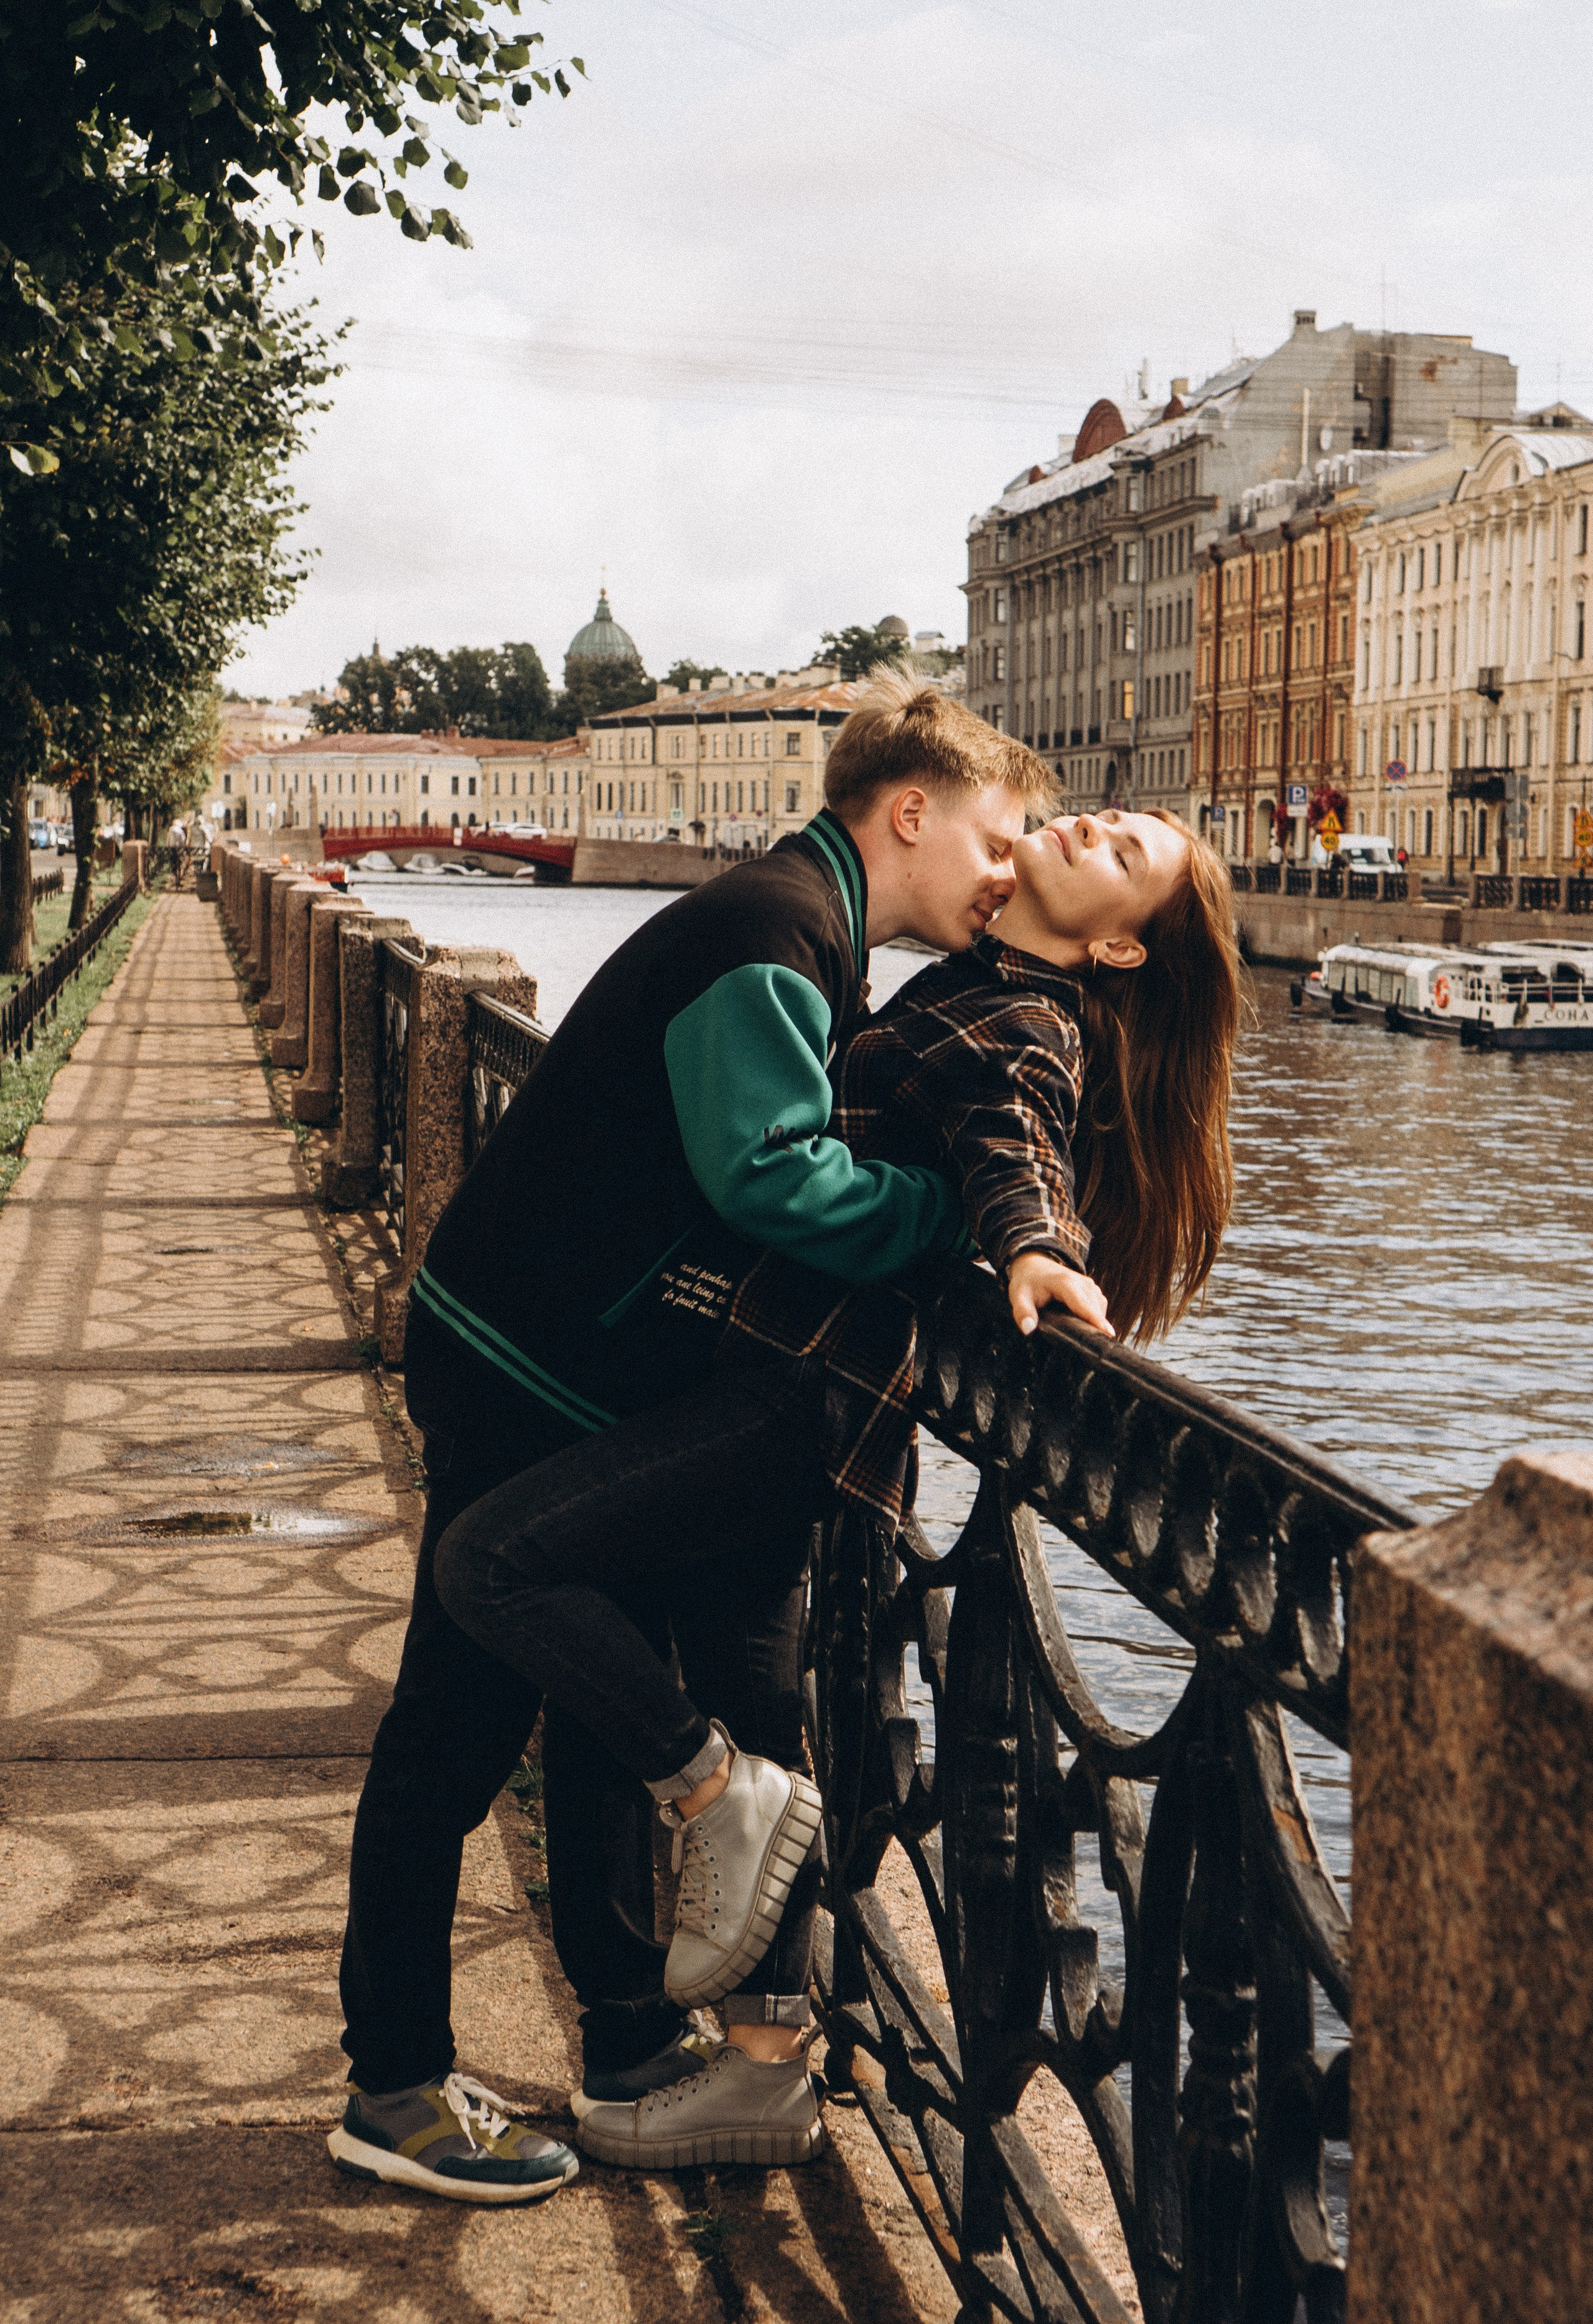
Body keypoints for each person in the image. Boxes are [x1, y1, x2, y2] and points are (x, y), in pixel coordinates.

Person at [432, 799, 1241, 2175]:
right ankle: (750, 2067)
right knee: (755, 1707)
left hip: (789, 1400)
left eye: (1122, 855)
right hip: (759, 1384)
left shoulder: (1026, 1021)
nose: (1088, 826)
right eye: (1103, 817)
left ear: (1116, 951)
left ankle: (705, 1807)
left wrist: (1033, 1247)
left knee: (497, 1565)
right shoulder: (974, 977)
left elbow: (1014, 1138)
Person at [329, 673, 1052, 2202]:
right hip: (519, 1355)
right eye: (997, 837)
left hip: (562, 1357)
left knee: (580, 1715)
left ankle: (627, 2043)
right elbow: (769, 1179)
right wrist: (941, 1228)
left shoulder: (798, 922)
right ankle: (390, 2085)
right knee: (450, 1736)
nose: (1008, 870)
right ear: (909, 812)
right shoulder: (771, 932)